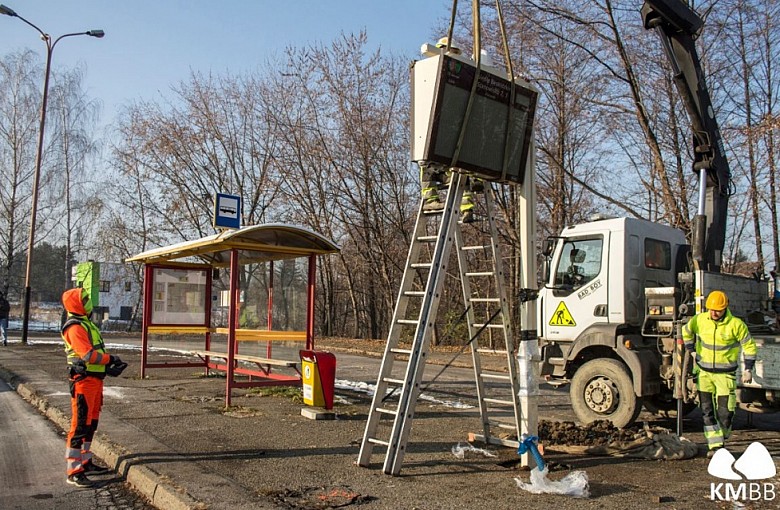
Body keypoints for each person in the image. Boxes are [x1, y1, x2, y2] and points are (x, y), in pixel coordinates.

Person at [61, 287, 126, 487]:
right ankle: (74, 471)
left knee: (91, 424)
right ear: (77, 303)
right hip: (83, 381)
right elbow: (88, 355)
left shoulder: (85, 324)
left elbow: (93, 356)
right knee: (80, 425)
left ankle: (85, 461)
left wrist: (107, 367)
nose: (89, 301)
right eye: (85, 298)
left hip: (94, 380)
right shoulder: (75, 327)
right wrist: (111, 359)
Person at [682, 290, 757, 457]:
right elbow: (686, 331)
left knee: (725, 413)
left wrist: (748, 369)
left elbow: (749, 346)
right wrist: (691, 349)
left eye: (718, 310)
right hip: (704, 374)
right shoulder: (700, 320)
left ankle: (722, 435)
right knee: (707, 411)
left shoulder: (736, 325)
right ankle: (715, 446)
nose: (714, 313)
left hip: (725, 376)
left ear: (725, 308)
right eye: (711, 309)